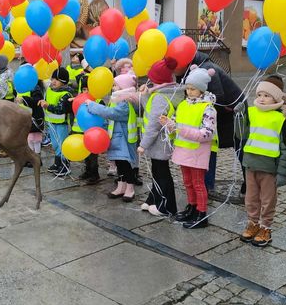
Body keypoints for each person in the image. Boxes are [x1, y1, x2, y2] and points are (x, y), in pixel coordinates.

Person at [235, 75, 286, 246]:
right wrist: (239, 117)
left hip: (269, 168)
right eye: (259, 95)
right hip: (250, 164)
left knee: (267, 200)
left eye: (267, 95)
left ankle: (265, 227)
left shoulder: (282, 118)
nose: (262, 99)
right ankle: (252, 223)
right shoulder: (251, 112)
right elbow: (240, 135)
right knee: (251, 198)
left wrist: (282, 173)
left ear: (276, 97)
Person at [174, 51, 245, 201]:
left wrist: (203, 116)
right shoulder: (193, 69)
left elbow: (218, 98)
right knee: (209, 146)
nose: (173, 71)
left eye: (175, 67)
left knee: (240, 148)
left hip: (234, 112)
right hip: (222, 114)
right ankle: (207, 185)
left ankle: (249, 185)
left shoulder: (206, 69)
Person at [161, 66, 218, 229]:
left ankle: (201, 213)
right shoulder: (183, 105)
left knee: (198, 183)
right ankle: (192, 207)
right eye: (188, 89)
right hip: (183, 149)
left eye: (193, 89)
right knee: (187, 182)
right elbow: (177, 123)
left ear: (201, 90)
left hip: (197, 151)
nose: (189, 92)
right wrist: (169, 124)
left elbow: (207, 133)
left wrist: (181, 129)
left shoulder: (208, 108)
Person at [138, 58, 183, 216]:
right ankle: (154, 198)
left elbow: (153, 125)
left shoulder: (159, 97)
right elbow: (150, 110)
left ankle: (167, 206)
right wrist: (144, 96)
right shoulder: (162, 94)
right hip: (158, 143)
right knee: (157, 171)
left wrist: (143, 144)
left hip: (159, 143)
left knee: (162, 173)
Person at [86, 73, 139, 202]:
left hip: (125, 140)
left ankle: (130, 188)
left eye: (116, 86)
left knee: (126, 165)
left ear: (124, 88)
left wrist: (92, 106)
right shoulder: (116, 101)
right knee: (120, 164)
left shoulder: (125, 104)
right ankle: (121, 186)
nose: (113, 88)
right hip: (116, 139)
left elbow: (110, 113)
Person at [39, 67, 74, 177]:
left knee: (62, 144)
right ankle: (57, 163)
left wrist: (48, 106)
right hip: (51, 122)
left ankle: (65, 165)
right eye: (52, 78)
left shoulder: (66, 94)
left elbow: (61, 109)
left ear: (63, 82)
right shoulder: (50, 89)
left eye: (56, 80)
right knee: (55, 144)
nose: (53, 81)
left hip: (61, 124)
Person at [71, 75, 102, 184]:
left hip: (94, 132)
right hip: (82, 130)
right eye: (84, 89)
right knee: (85, 152)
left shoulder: (98, 100)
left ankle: (95, 173)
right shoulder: (80, 99)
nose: (86, 91)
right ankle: (88, 171)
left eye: (88, 89)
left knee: (93, 154)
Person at [15, 76, 45, 167]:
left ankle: (37, 159)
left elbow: (37, 101)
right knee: (29, 139)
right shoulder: (21, 87)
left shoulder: (35, 88)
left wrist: (24, 99)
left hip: (35, 118)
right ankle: (30, 158)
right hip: (25, 118)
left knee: (35, 139)